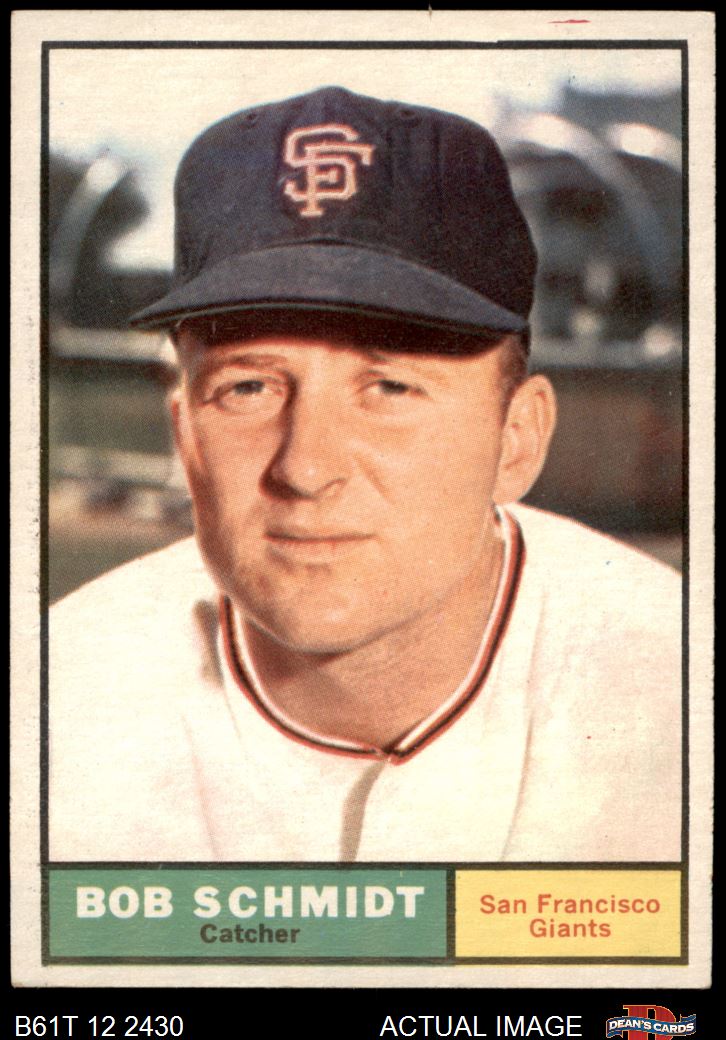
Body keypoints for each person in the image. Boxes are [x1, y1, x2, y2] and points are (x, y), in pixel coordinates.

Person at [50, 86, 680, 862]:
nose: (306, 468)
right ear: (186, 437)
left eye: (391, 387)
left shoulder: (679, 683)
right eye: (248, 388)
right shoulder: (60, 693)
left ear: (516, 440)